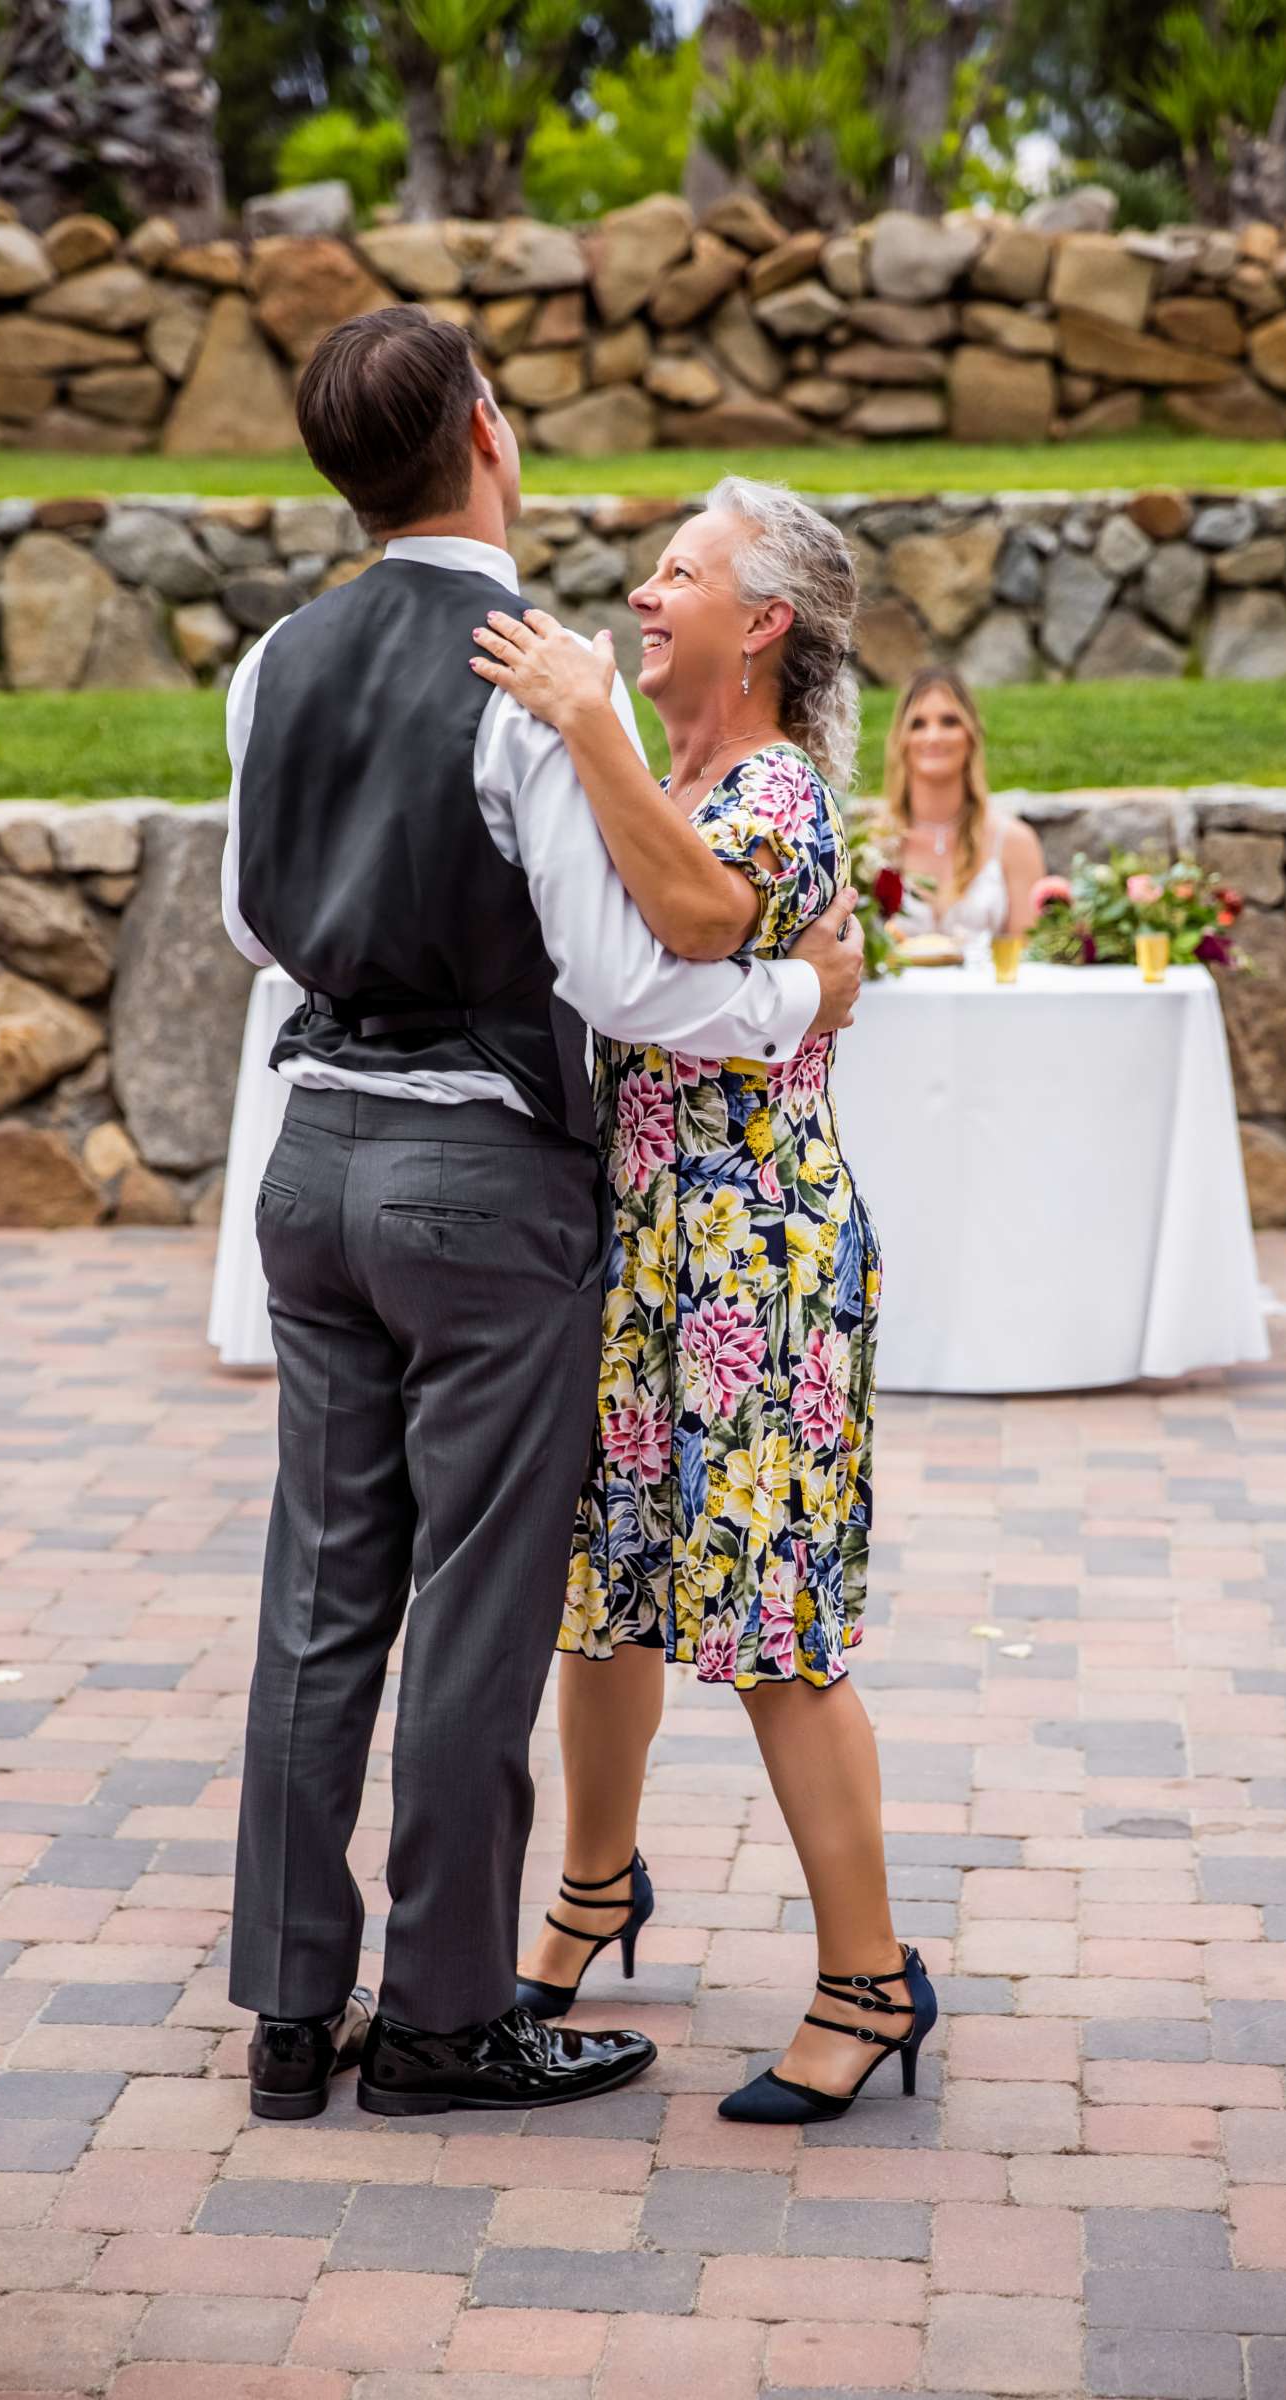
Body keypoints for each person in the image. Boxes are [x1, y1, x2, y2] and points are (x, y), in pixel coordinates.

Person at [219, 313, 866, 2123]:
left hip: (313, 1163)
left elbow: (254, 920)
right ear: (488, 435)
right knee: (478, 1607)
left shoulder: (278, 659)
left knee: (317, 1596)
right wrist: (802, 1007)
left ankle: (289, 2010)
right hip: (482, 1184)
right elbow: (624, 975)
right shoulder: (527, 667)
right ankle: (438, 2024)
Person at [471, 479, 937, 2126]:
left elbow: (691, 920)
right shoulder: (668, 772)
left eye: (681, 576)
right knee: (604, 1600)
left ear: (764, 627)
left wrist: (586, 719)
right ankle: (594, 1889)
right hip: (641, 1250)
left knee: (772, 1631)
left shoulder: (781, 794)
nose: (642, 596)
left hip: (760, 1269)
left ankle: (869, 1979)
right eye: (651, 572)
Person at [883, 669, 1043, 958]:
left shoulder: (1015, 842)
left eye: (949, 721)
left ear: (971, 736)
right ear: (901, 740)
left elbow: (1031, 957)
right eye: (918, 724)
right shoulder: (873, 845)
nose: (933, 736)